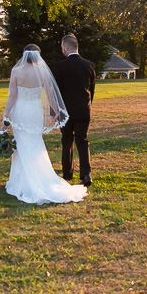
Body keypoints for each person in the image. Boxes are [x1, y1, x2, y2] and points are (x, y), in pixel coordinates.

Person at [1, 44, 88, 204]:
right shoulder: (42, 71)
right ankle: (38, 176)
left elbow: (12, 97)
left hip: (21, 111)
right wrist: (56, 112)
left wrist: (5, 117)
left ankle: (22, 180)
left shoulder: (16, 71)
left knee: (21, 144)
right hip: (35, 111)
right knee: (35, 142)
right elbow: (50, 94)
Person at [50, 34, 96, 187]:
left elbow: (56, 92)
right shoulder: (89, 65)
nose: (62, 50)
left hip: (66, 111)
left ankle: (67, 174)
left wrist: (53, 112)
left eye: (62, 48)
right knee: (82, 141)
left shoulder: (60, 66)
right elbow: (92, 90)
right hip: (84, 110)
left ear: (67, 47)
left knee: (67, 141)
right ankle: (86, 174)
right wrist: (88, 106)